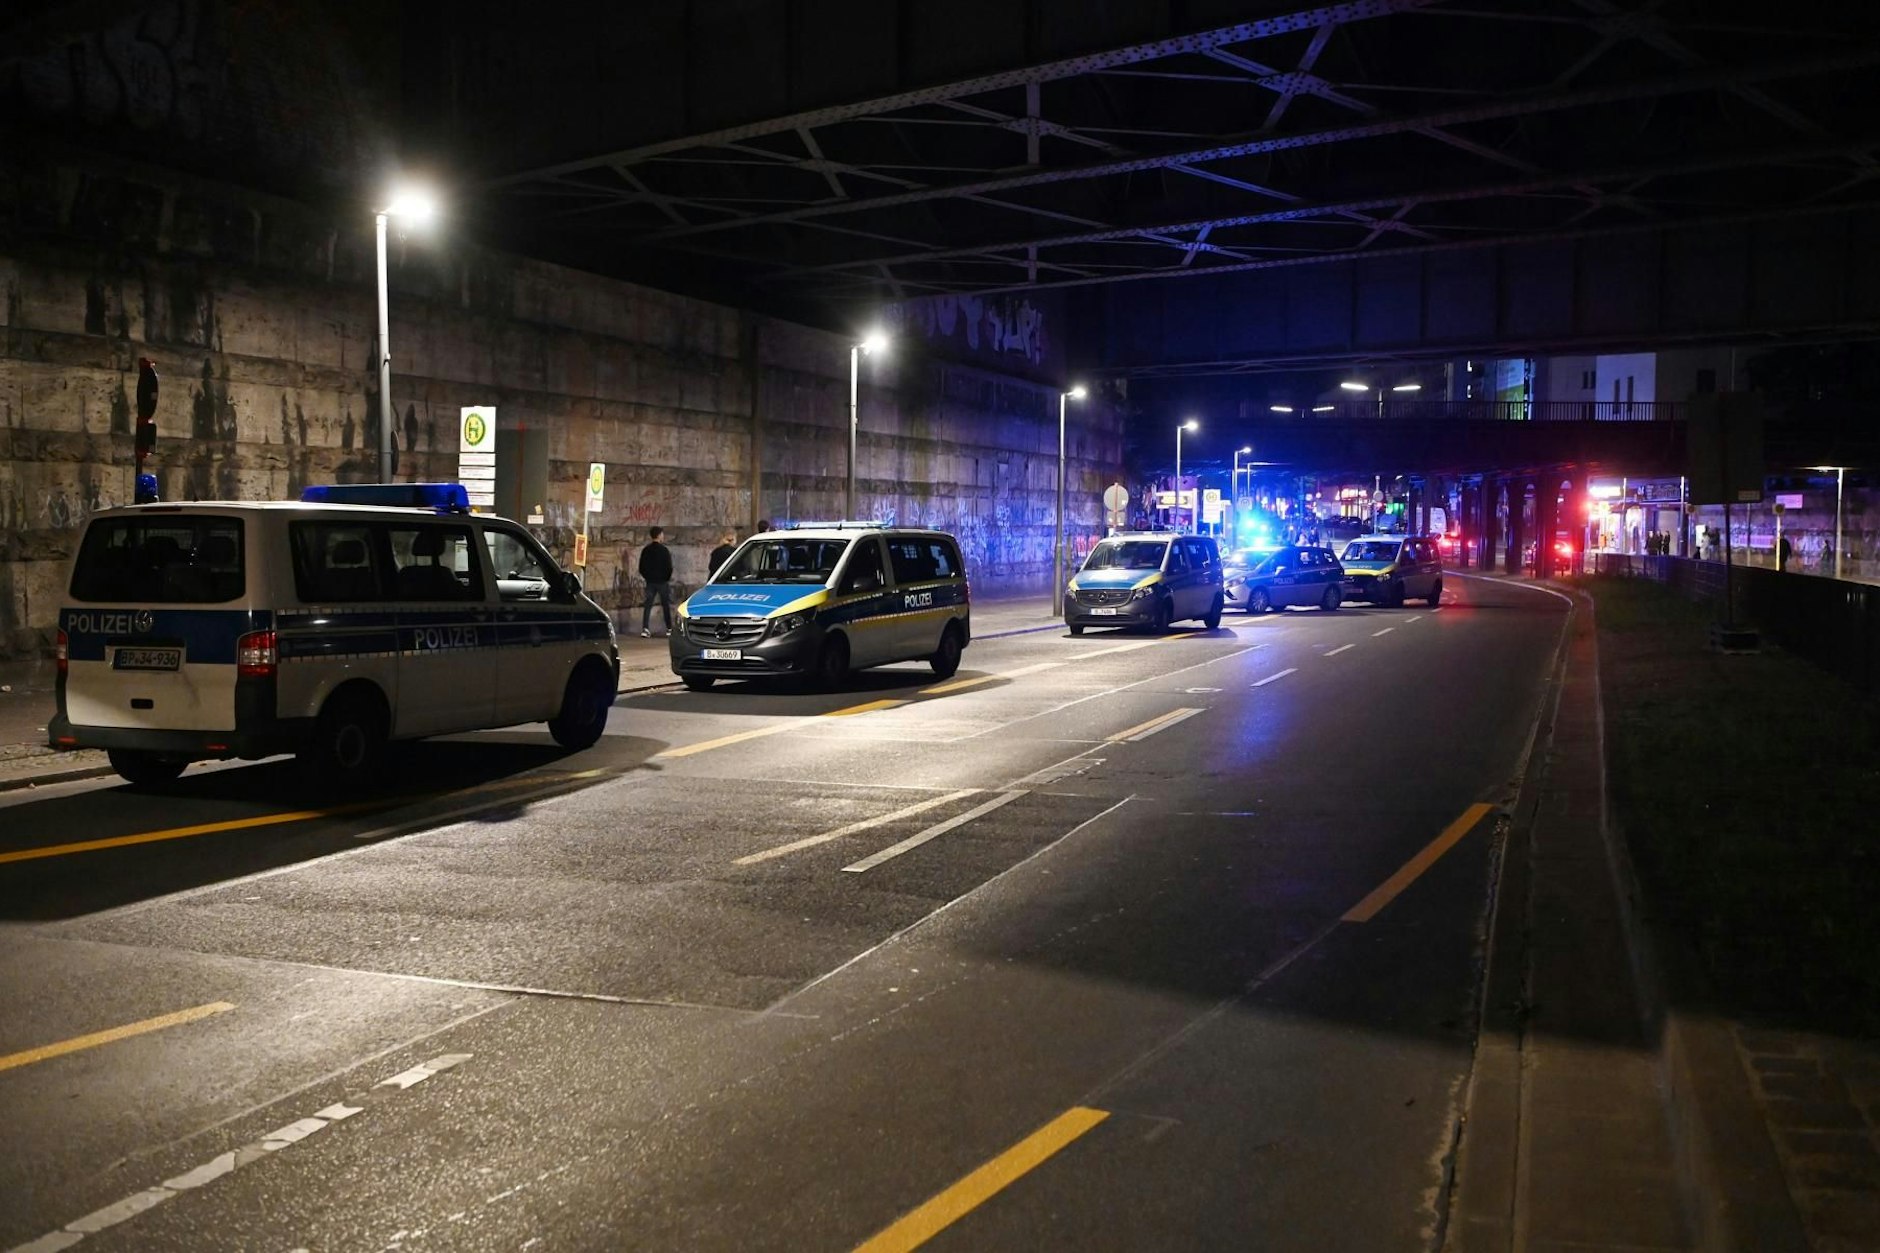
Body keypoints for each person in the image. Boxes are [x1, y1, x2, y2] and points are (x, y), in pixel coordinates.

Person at [637, 526, 673, 638]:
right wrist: (666, 578)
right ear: (659, 535)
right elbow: (669, 567)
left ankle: (645, 628)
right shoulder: (664, 550)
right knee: (665, 604)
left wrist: (647, 577)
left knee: (648, 605)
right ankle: (669, 628)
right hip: (662, 582)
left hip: (650, 582)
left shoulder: (646, 550)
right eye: (662, 534)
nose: (663, 536)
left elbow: (641, 567)